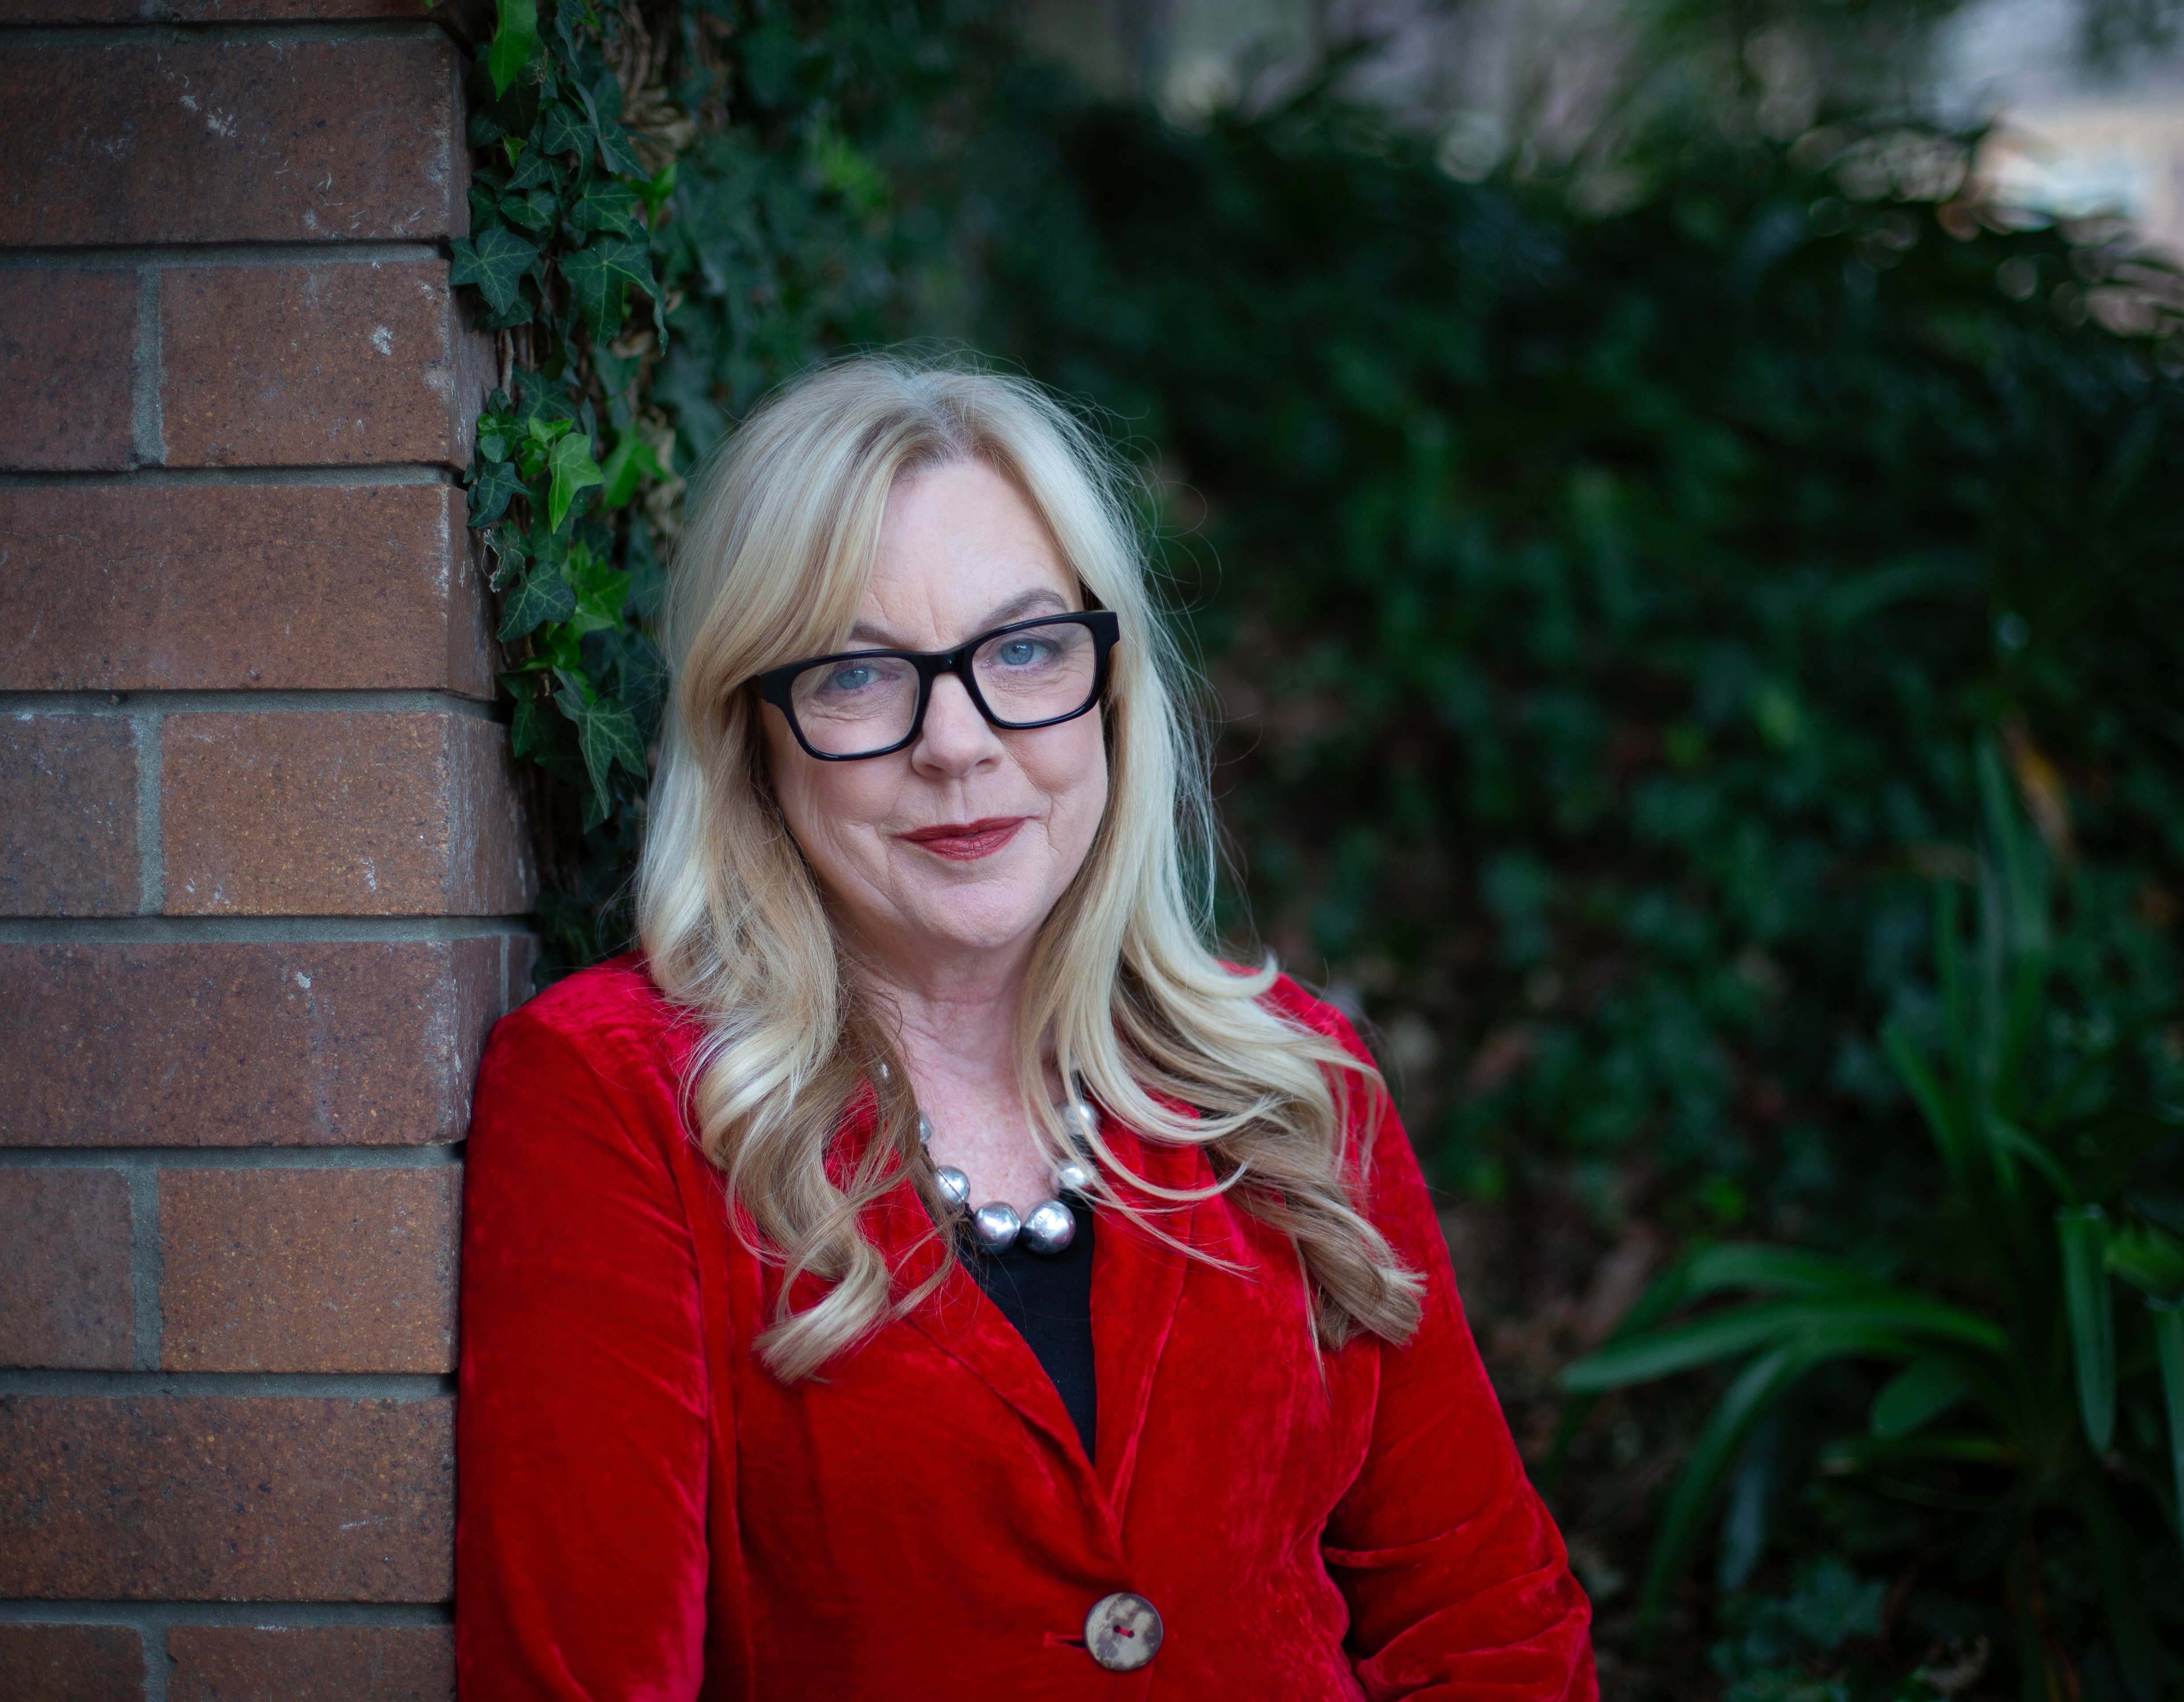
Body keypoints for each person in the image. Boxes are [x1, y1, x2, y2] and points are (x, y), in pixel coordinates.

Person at [455, 356, 1598, 1699]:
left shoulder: (1289, 1087)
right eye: (859, 674)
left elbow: (1487, 1621)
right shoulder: (619, 1100)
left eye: (1024, 649)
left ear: (1109, 687)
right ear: (752, 730)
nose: (957, 741)